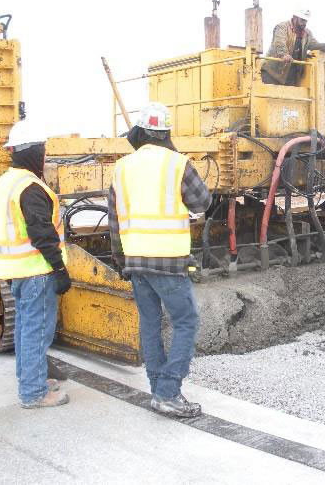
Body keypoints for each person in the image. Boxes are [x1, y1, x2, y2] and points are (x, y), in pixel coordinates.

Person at [108, 102, 211, 418]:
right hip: (168, 260)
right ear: (166, 132)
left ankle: (158, 390)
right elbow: (203, 201)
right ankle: (168, 391)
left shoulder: (122, 167)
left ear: (140, 132)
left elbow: (114, 218)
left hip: (135, 259)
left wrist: (120, 259)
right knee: (186, 320)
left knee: (150, 323)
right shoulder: (177, 164)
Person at [0, 120, 72, 409]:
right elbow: (41, 232)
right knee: (37, 330)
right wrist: (59, 270)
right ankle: (33, 393)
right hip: (36, 270)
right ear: (34, 152)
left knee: (26, 328)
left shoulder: (4, 182)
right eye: (43, 150)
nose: (45, 156)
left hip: (15, 271)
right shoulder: (29, 186)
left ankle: (31, 379)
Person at [261, 8, 325, 86]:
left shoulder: (307, 33)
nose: (304, 23)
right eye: (302, 20)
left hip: (291, 76)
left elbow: (314, 45)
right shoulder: (282, 27)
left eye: (306, 20)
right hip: (272, 73)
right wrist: (284, 54)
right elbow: (279, 42)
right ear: (295, 17)